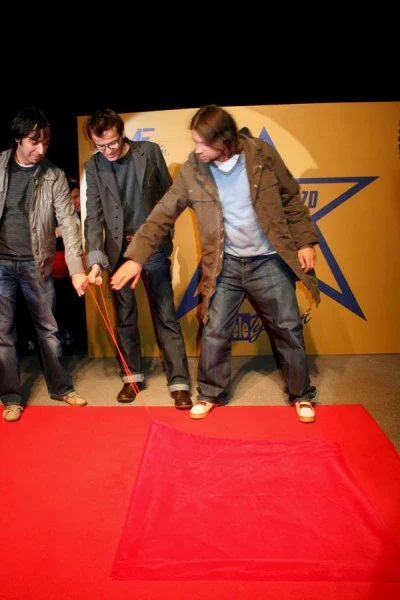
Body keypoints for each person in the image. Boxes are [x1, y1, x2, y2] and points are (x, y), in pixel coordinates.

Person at [110, 105, 320, 423]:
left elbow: (290, 197)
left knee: (287, 327)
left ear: (224, 140)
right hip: (226, 263)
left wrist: (305, 241)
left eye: (203, 143)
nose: (197, 149)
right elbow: (162, 214)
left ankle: (301, 394)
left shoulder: (260, 154)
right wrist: (136, 257)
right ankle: (210, 393)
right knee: (215, 330)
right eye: (195, 142)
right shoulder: (194, 170)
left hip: (268, 260)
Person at [84, 109, 191, 409]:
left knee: (165, 315)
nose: (108, 151)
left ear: (122, 133)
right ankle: (132, 378)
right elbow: (94, 216)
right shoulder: (94, 165)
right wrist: (95, 260)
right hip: (118, 251)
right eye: (100, 146)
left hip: (152, 246)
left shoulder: (149, 152)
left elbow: (169, 197)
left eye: (112, 143)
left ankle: (179, 382)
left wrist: (164, 237)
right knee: (125, 317)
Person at [0, 107, 89, 423]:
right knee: (3, 334)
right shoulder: (0, 166)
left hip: (37, 264)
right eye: (33, 142)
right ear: (18, 139)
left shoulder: (54, 176)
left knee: (49, 330)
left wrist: (77, 270)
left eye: (46, 143)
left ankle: (61, 388)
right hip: (1, 264)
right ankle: (11, 397)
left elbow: (69, 223)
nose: (40, 149)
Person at [52, 179, 87, 353]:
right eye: (71, 198)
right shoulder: (62, 218)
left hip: (83, 266)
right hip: (61, 269)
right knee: (63, 303)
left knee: (78, 304)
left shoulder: (88, 215)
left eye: (77, 197)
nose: (75, 202)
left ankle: (80, 337)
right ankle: (66, 335)